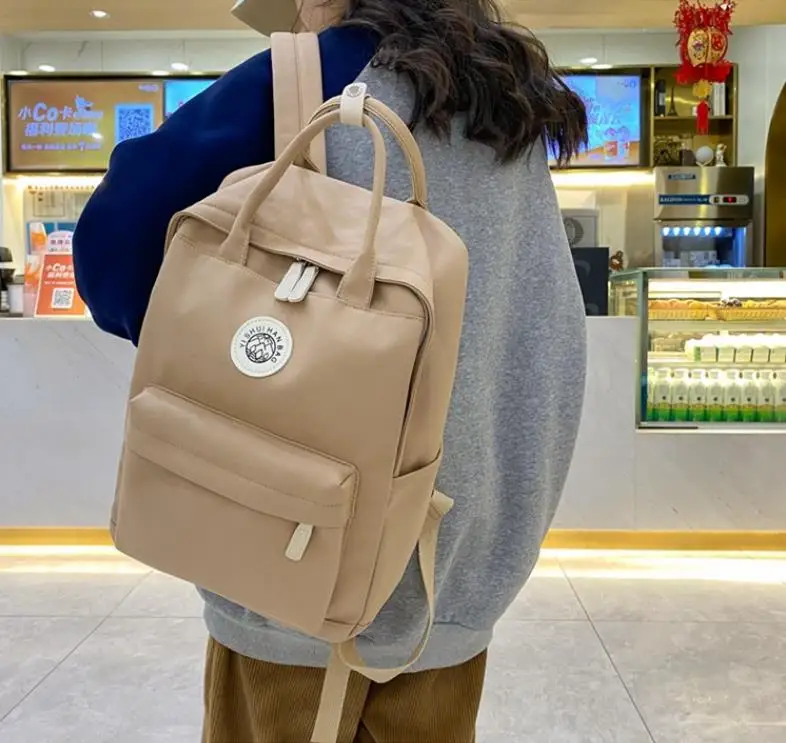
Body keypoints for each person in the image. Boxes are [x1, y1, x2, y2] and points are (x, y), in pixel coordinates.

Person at [73, 0, 589, 740]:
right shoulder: (511, 103)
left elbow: (112, 242)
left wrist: (220, 347)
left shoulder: (305, 80)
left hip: (285, 553)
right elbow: (542, 340)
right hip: (452, 581)